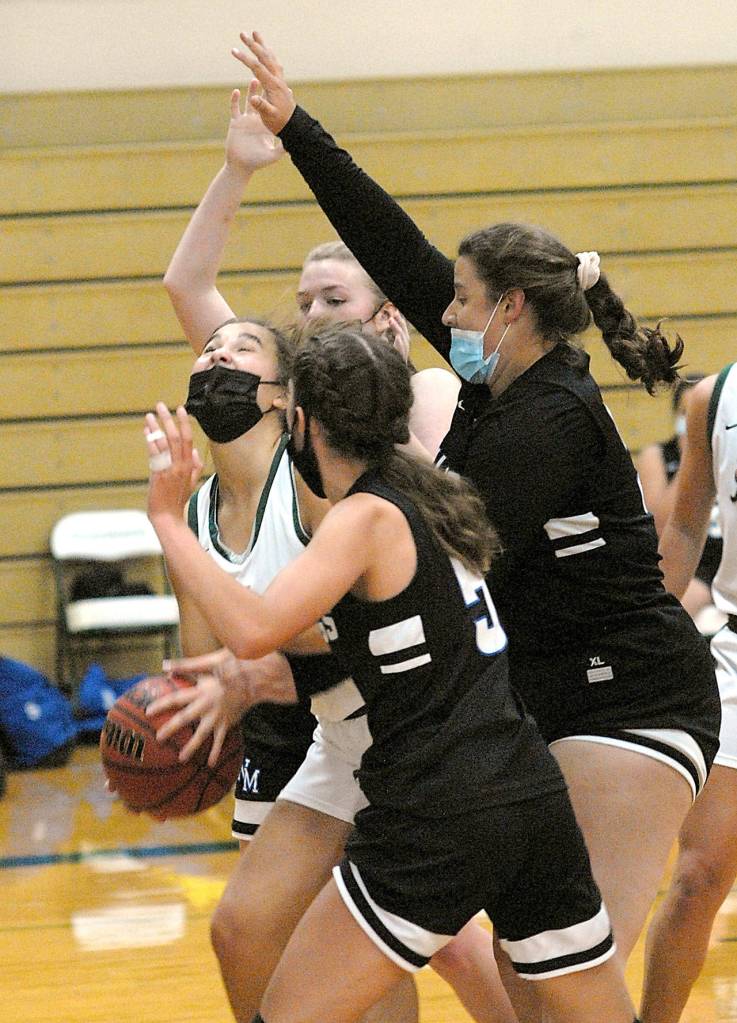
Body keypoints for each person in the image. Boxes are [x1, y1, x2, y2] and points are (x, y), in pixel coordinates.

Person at [233, 30, 721, 1022]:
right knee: (526, 978)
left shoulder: (548, 415)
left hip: (624, 704)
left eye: (457, 301)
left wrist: (301, 632)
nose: (440, 314)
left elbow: (432, 556)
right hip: (543, 696)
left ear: (505, 310)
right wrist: (295, 128)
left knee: (566, 994)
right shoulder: (496, 372)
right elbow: (391, 244)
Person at [145, 325, 644, 1023]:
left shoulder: (365, 518)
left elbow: (253, 628)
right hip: (526, 790)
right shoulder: (428, 500)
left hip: (437, 805)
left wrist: (166, 517)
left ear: (301, 420)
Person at [157, 80, 509, 1023]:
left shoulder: (420, 414)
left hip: (418, 704)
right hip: (323, 710)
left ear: (387, 317)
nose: (310, 316)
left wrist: (277, 654)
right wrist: (235, 170)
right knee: (273, 931)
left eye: (333, 298)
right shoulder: (287, 422)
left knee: (452, 944)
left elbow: (427, 584)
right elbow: (192, 296)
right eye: (302, 303)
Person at [638, 365, 737, 1023]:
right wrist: (634, 626)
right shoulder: (714, 395)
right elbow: (680, 532)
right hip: (735, 653)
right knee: (697, 875)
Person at [636, 373, 723, 626]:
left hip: (728, 559)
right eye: (687, 413)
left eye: (702, 413)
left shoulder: (729, 449)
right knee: (671, 616)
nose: (694, 420)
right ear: (676, 417)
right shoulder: (657, 455)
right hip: (693, 566)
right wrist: (691, 456)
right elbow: (660, 527)